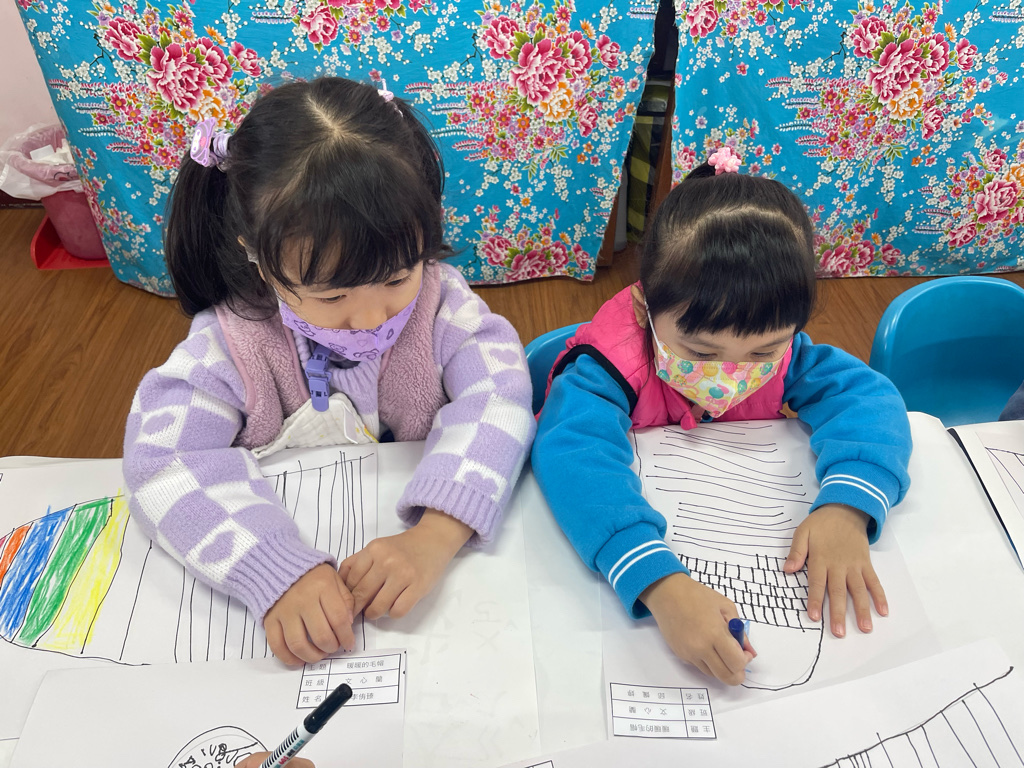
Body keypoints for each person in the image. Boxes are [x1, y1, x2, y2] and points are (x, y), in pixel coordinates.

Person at [123, 77, 534, 667]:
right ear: (257, 259)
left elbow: (500, 396)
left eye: (396, 277)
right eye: (332, 295)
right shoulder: (233, 342)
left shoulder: (442, 305)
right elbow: (162, 460)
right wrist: (275, 570)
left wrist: (436, 534)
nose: (369, 318)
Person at [531, 153, 912, 686]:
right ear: (643, 307)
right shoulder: (606, 368)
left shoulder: (792, 355)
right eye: (700, 352)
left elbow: (868, 400)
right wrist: (657, 581)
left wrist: (848, 505)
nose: (730, 374)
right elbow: (573, 454)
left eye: (763, 353)